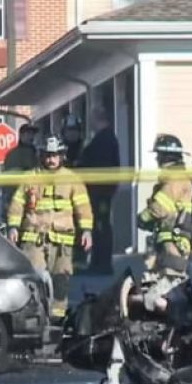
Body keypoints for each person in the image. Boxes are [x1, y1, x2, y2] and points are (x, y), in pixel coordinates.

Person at [7, 136, 94, 322]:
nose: (51, 160)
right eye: (47, 155)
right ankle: (35, 318)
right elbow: (17, 204)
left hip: (62, 242)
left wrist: (86, 231)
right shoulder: (30, 177)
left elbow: (83, 208)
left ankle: (58, 320)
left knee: (61, 281)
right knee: (34, 279)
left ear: (62, 156)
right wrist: (13, 227)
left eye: (55, 155)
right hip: (33, 239)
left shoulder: (72, 180)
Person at [138, 134, 192, 276]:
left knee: (170, 279)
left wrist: (142, 218)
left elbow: (159, 208)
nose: (157, 159)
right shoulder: (173, 178)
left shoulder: (175, 179)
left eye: (159, 155)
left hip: (172, 243)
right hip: (168, 240)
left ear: (166, 156)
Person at [78, 107, 120, 274]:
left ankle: (102, 264)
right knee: (98, 226)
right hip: (99, 191)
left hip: (101, 192)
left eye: (92, 119)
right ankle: (97, 262)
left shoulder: (105, 140)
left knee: (101, 227)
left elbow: (97, 165)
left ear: (99, 119)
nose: (91, 124)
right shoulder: (104, 139)